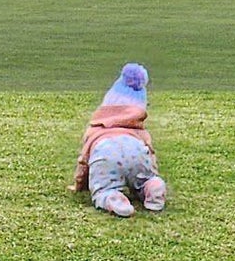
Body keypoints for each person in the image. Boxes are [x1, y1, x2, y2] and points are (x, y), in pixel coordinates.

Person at [71, 63, 166, 217]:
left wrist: (79, 184)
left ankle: (111, 197)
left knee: (104, 188)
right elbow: (150, 153)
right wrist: (153, 173)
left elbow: (84, 161)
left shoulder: (96, 128)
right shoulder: (139, 130)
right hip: (137, 152)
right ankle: (152, 186)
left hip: (106, 154)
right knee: (145, 179)